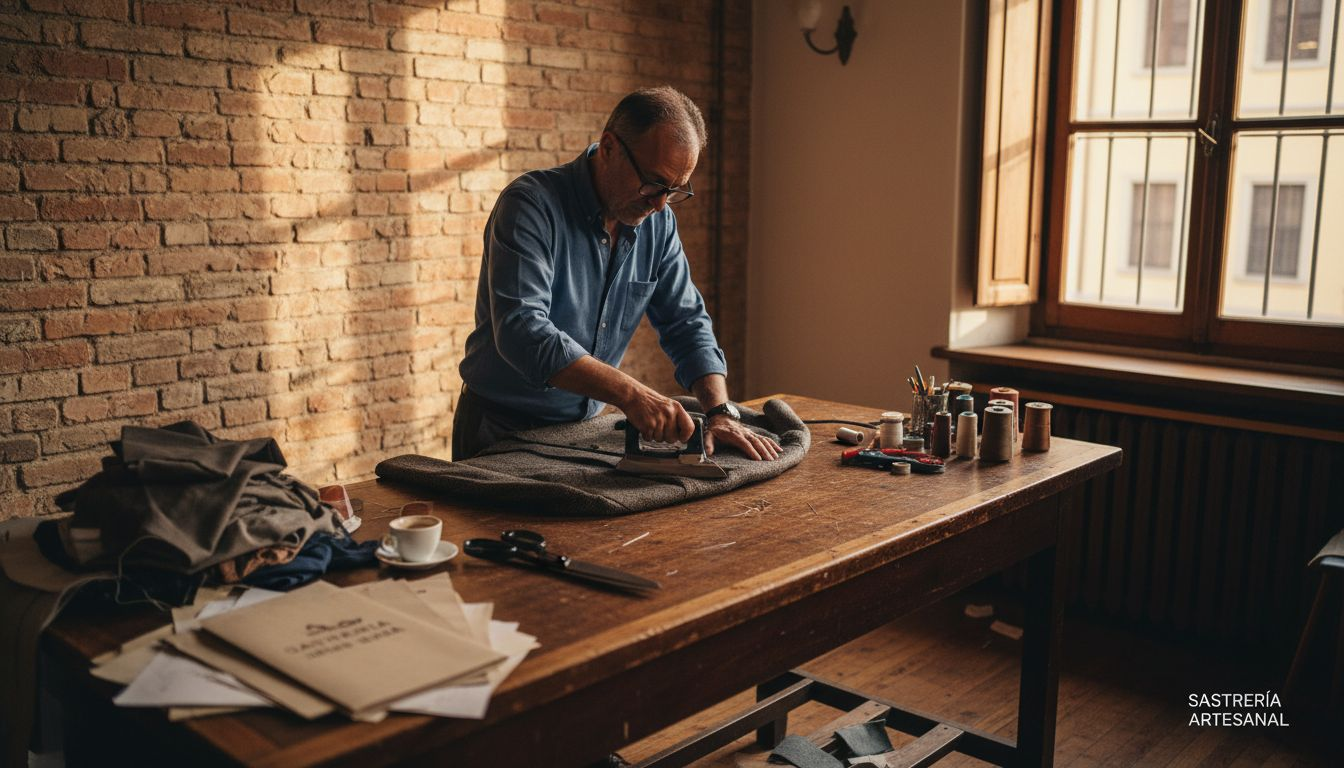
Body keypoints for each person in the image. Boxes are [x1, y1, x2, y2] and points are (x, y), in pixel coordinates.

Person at [455, 86, 781, 463]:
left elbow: (687, 323)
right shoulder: (530, 205)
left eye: (675, 190)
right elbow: (522, 329)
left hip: (582, 431)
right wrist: (631, 394)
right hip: (498, 431)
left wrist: (719, 413)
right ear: (609, 147)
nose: (660, 204)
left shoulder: (658, 226)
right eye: (654, 182)